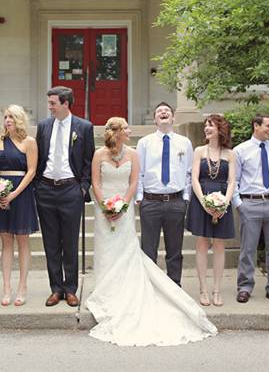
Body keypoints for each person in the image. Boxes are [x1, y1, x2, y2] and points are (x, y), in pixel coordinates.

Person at [87, 117, 217, 346]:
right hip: (103, 207)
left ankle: (127, 290)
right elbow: (95, 183)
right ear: (116, 132)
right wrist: (105, 206)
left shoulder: (134, 154)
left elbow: (134, 182)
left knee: (125, 250)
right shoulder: (99, 154)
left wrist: (123, 206)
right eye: (126, 128)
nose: (130, 130)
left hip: (124, 209)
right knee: (106, 250)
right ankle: (106, 291)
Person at [35, 86, 94, 307]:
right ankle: (55, 288)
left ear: (65, 104)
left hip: (71, 190)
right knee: (50, 242)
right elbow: (39, 156)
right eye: (49, 103)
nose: (49, 107)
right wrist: (37, 186)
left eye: (53, 103)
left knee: (70, 241)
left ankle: (70, 289)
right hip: (46, 189)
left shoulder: (84, 127)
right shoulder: (43, 126)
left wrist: (83, 188)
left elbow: (89, 160)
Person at [232, 114, 269, 305]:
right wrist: (238, 204)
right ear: (256, 126)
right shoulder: (240, 150)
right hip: (250, 204)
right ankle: (245, 287)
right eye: (268, 126)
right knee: (248, 248)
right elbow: (235, 180)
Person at [135, 102, 193, 286]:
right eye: (159, 111)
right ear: (155, 119)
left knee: (175, 249)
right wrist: (139, 197)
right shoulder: (145, 143)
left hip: (176, 201)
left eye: (167, 110)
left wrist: (185, 198)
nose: (163, 112)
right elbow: (139, 172)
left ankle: (174, 284)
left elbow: (189, 172)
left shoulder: (184, 143)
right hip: (151, 202)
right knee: (148, 248)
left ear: (173, 117)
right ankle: (149, 285)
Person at [0, 105, 39, 306]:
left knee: (22, 240)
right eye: (6, 116)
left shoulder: (29, 142)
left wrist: (15, 193)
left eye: (11, 117)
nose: (7, 120)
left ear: (19, 120)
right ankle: (6, 287)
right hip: (2, 192)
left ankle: (22, 286)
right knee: (6, 241)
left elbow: (32, 171)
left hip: (22, 193)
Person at [186, 114, 236, 307]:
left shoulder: (230, 154)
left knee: (219, 246)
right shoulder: (199, 151)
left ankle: (216, 290)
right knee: (201, 244)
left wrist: (224, 203)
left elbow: (232, 181)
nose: (206, 128)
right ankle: (203, 289)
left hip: (223, 198)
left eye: (210, 125)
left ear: (220, 129)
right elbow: (194, 179)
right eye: (206, 125)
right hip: (202, 198)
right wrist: (204, 202)